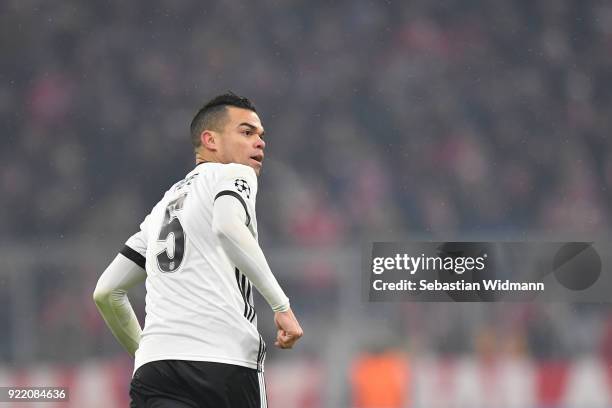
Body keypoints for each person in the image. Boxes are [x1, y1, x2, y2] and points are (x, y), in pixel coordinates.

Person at [93, 92, 303, 407]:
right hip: (223, 365)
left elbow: (106, 292)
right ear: (210, 140)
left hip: (155, 372)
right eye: (246, 132)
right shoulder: (234, 173)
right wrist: (281, 306)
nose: (260, 142)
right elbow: (228, 226)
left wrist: (147, 353)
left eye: (261, 135)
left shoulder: (161, 208)